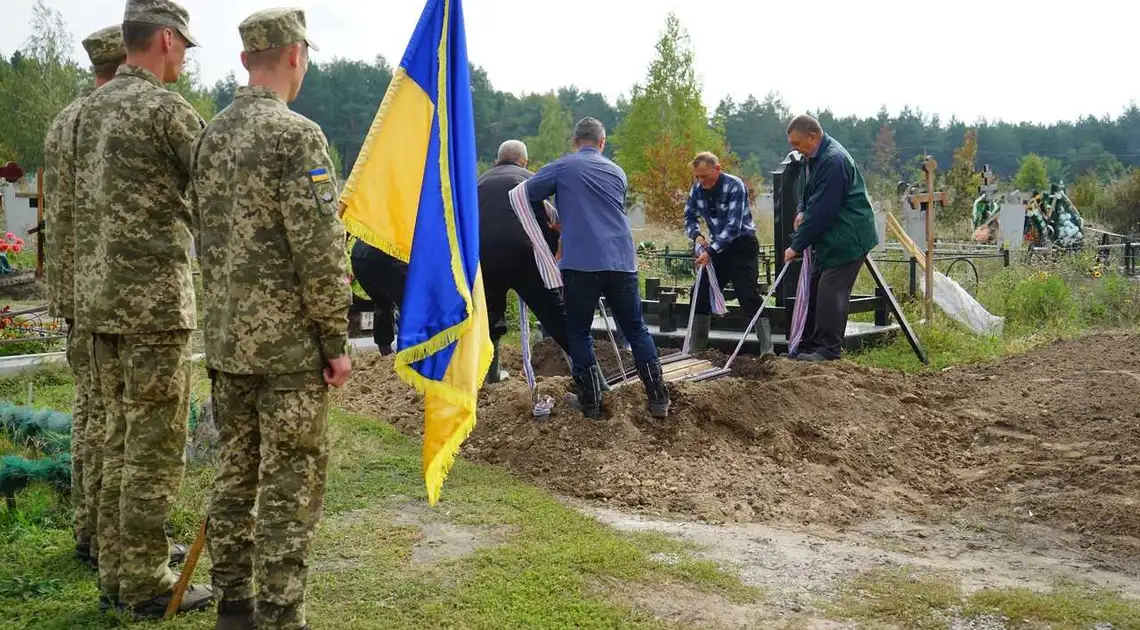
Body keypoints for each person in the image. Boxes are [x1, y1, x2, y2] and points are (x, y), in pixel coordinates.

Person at [190, 8, 351, 630]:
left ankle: (234, 603)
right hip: (287, 351)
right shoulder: (296, 135)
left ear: (243, 60)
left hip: (228, 342)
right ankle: (283, 615)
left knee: (235, 471)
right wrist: (335, 339)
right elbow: (317, 244)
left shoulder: (211, 136)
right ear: (294, 56)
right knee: (290, 485)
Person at [70, 0, 211, 617]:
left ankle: (117, 567)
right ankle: (146, 583)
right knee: (152, 447)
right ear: (162, 39)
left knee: (118, 438)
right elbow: (219, 192)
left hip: (98, 305)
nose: (183, 56)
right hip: (153, 309)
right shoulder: (166, 111)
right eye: (182, 44)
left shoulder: (86, 111)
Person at [42, 23, 126, 573]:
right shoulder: (116, 119)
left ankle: (90, 531)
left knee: (88, 413)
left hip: (75, 295)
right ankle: (118, 541)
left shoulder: (63, 122)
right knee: (116, 420)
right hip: (114, 294)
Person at [524, 117, 669, 419]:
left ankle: (590, 402)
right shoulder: (618, 171)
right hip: (622, 260)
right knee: (636, 329)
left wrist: (554, 221)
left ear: (575, 141)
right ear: (603, 143)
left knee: (578, 332)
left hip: (581, 263)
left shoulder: (564, 166)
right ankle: (658, 398)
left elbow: (530, 192)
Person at [783, 114, 878, 362]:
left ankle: (828, 350)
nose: (794, 148)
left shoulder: (833, 161)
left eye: (797, 143)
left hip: (848, 236)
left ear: (813, 138)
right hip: (831, 238)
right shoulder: (812, 158)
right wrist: (802, 210)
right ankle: (810, 345)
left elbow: (824, 209)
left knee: (830, 290)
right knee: (814, 287)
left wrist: (796, 244)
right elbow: (807, 191)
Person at [478, 139, 572, 383]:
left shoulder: (479, 183)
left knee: (489, 319)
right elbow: (549, 224)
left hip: (485, 258)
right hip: (525, 257)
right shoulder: (531, 181)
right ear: (524, 161)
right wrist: (551, 258)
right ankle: (593, 381)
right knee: (556, 317)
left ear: (497, 160)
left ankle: (491, 376)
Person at [683, 152, 773, 355]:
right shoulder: (697, 189)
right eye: (697, 176)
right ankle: (696, 349)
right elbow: (688, 216)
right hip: (716, 248)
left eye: (704, 176)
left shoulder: (734, 186)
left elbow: (733, 227)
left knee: (747, 295)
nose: (701, 180)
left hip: (742, 245)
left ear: (717, 168)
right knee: (700, 292)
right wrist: (697, 235)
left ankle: (767, 350)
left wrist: (710, 251)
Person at [349, 234, 407, 356]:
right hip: (384, 252)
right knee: (410, 305)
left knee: (382, 302)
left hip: (359, 254)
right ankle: (410, 352)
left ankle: (385, 351)